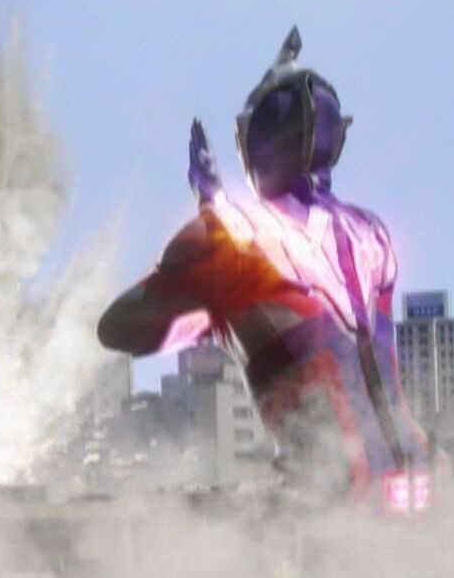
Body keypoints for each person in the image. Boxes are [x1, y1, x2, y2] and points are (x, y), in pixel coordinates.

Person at [98, 27, 430, 508]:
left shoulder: (231, 235)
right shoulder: (372, 234)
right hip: (420, 490)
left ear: (253, 138)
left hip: (325, 508)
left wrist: (206, 249)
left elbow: (119, 328)